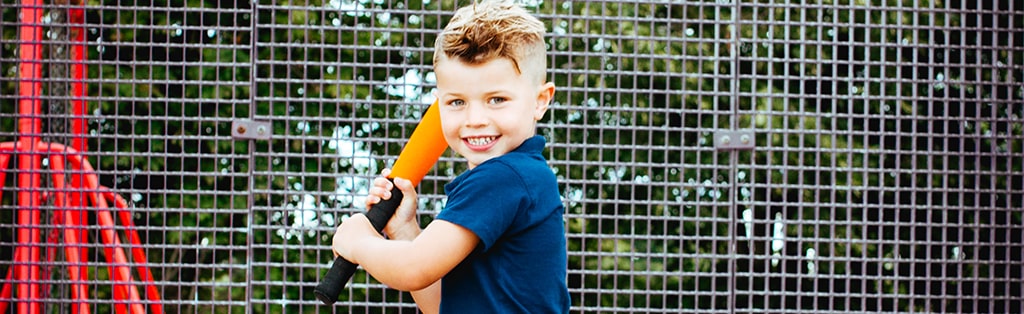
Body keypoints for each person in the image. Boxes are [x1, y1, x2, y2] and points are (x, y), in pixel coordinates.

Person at [330, 0, 570, 313]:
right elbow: (442, 305)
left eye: (496, 99)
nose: (475, 119)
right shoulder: (515, 178)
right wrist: (405, 231)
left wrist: (357, 242)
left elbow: (413, 268)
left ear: (540, 100)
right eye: (457, 102)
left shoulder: (504, 178)